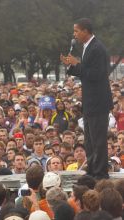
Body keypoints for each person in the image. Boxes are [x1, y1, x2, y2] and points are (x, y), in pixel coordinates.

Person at [61, 17, 113, 179]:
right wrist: (72, 65)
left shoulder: (97, 48)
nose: (74, 34)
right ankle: (92, 168)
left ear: (85, 31)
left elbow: (97, 75)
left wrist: (78, 64)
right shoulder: (87, 47)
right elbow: (86, 73)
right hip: (90, 101)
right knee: (90, 140)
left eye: (76, 31)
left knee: (98, 139)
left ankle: (100, 172)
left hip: (98, 101)